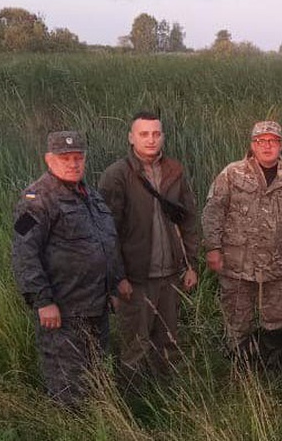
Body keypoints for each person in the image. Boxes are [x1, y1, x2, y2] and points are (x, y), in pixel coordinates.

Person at [202, 120, 282, 367]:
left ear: (281, 146)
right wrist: (213, 248)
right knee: (238, 321)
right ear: (252, 145)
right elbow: (212, 211)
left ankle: (271, 370)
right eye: (261, 141)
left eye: (273, 141)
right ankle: (241, 374)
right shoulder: (233, 174)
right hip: (238, 265)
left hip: (277, 266)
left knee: (276, 320)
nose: (267, 146)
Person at [11, 131, 121, 407]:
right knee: (67, 381)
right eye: (65, 158)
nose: (73, 164)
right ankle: (67, 428)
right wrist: (42, 300)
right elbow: (24, 252)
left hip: (96, 306)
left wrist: (114, 286)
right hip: (64, 310)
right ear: (49, 159)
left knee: (95, 376)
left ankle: (95, 425)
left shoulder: (90, 196)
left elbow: (106, 244)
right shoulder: (35, 200)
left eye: (78, 157)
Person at [98, 111, 199, 384]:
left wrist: (191, 264)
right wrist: (117, 278)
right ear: (131, 138)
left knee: (168, 340)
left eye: (156, 133)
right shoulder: (116, 175)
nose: (151, 139)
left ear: (163, 136)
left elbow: (188, 219)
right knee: (136, 344)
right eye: (144, 134)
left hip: (170, 275)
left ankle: (168, 397)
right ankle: (132, 405)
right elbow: (107, 233)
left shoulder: (174, 170)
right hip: (135, 277)